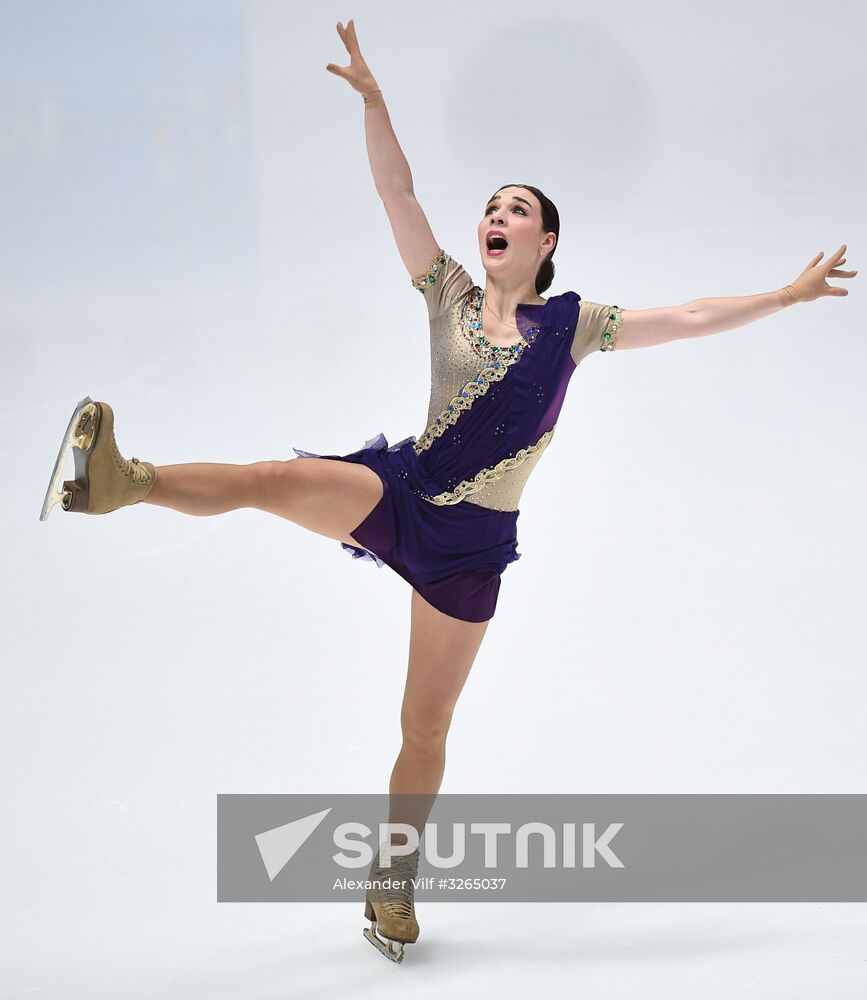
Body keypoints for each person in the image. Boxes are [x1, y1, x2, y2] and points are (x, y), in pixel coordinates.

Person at [39, 17, 856, 965]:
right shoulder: (449, 294)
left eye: (516, 209)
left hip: (468, 552)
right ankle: (119, 482)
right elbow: (398, 190)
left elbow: (684, 317)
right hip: (398, 491)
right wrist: (377, 104)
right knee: (271, 478)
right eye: (491, 206)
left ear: (545, 239)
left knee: (423, 725)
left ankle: (392, 883)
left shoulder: (576, 324)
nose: (496, 216)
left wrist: (781, 297)